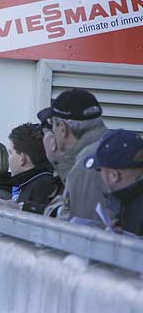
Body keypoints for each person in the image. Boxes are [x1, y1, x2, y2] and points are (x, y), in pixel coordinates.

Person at [38, 89, 108, 222]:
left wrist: (58, 161)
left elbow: (74, 224)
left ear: (63, 129)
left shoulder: (86, 165)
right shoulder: (112, 147)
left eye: (53, 127)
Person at [86, 129, 143, 234]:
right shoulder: (130, 198)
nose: (100, 175)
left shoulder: (135, 206)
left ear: (113, 175)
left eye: (99, 170)